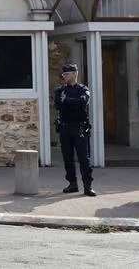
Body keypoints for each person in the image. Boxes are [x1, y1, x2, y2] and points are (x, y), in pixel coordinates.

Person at [53, 62, 96, 196]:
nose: (64, 76)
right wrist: (74, 102)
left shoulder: (83, 89)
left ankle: (87, 186)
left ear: (74, 74)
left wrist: (68, 101)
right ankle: (72, 183)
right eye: (63, 74)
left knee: (84, 157)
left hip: (79, 128)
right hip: (65, 127)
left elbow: (83, 101)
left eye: (66, 74)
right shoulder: (60, 91)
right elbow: (58, 105)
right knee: (67, 157)